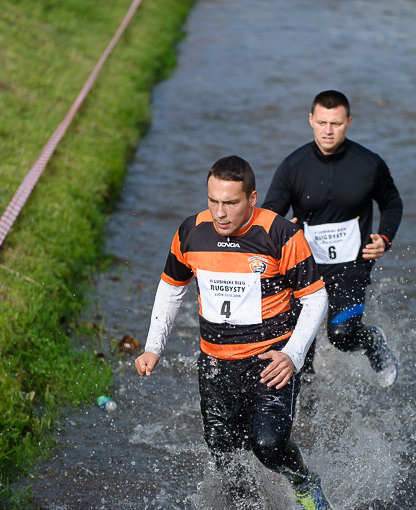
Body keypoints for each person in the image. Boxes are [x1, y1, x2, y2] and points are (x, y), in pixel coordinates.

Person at [134, 155, 333, 509]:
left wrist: (293, 355)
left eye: (230, 202)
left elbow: (316, 299)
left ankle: (304, 481)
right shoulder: (191, 232)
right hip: (215, 366)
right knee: (226, 456)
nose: (220, 213)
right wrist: (153, 347)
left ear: (252, 199)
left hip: (271, 362)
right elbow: (172, 288)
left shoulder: (280, 234)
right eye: (213, 201)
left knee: (268, 446)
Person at [262, 90, 403, 387]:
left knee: (341, 335)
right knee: (302, 352)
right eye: (322, 122)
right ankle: (307, 408)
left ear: (349, 122)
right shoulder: (293, 167)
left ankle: (372, 341)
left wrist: (385, 239)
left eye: (336, 124)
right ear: (311, 120)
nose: (328, 130)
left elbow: (392, 203)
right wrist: (282, 228)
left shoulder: (369, 164)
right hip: (305, 270)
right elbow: (269, 216)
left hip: (352, 265)